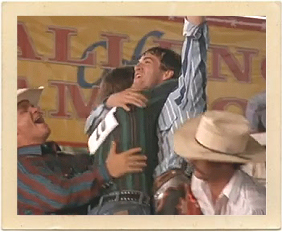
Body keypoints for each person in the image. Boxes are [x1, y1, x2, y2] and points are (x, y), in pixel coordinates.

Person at [85, 16, 208, 214]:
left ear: (167, 74)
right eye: (138, 62)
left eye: (147, 62)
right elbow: (90, 125)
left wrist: (194, 23)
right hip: (151, 198)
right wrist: (108, 102)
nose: (137, 67)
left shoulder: (182, 99)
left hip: (177, 191)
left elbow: (195, 65)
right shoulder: (140, 107)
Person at [17, 87, 147, 215]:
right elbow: (59, 196)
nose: (36, 109)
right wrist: (106, 171)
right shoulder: (17, 168)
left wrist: (107, 106)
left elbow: (94, 159)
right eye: (23, 110)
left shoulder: (53, 157)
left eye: (33, 105)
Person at [173, 110, 266, 215]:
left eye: (201, 156)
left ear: (224, 162)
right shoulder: (199, 183)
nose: (191, 159)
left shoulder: (250, 209)